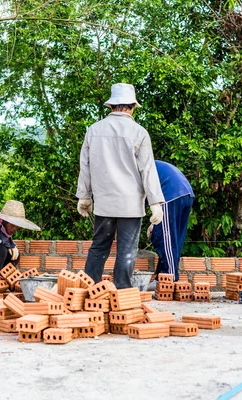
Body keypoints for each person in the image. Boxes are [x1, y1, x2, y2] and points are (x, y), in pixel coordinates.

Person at [76, 83, 165, 289]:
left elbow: (85, 165)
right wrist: (155, 203)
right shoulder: (139, 132)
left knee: (99, 247)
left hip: (104, 202)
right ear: (133, 106)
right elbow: (147, 170)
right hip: (130, 204)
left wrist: (84, 196)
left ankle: (89, 289)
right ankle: (122, 292)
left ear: (111, 106)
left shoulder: (94, 130)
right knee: (126, 251)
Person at [147, 160, 194, 281]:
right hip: (186, 194)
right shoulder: (149, 164)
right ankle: (161, 277)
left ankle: (169, 278)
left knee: (164, 237)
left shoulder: (135, 169)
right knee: (174, 240)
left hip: (170, 194)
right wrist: (154, 223)